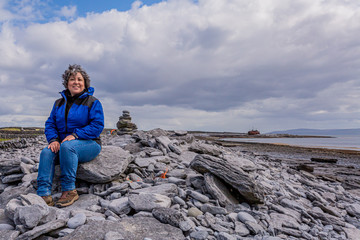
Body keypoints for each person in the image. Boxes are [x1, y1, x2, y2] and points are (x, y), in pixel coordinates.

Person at [37, 64, 104, 207]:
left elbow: (97, 126)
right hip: (64, 144)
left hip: (89, 144)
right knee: (46, 152)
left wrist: (76, 135)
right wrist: (54, 140)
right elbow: (50, 124)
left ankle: (69, 190)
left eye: (80, 79)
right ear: (67, 83)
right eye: (72, 79)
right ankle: (43, 194)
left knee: (68, 147)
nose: (76, 82)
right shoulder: (58, 103)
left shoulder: (93, 102)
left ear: (85, 83)